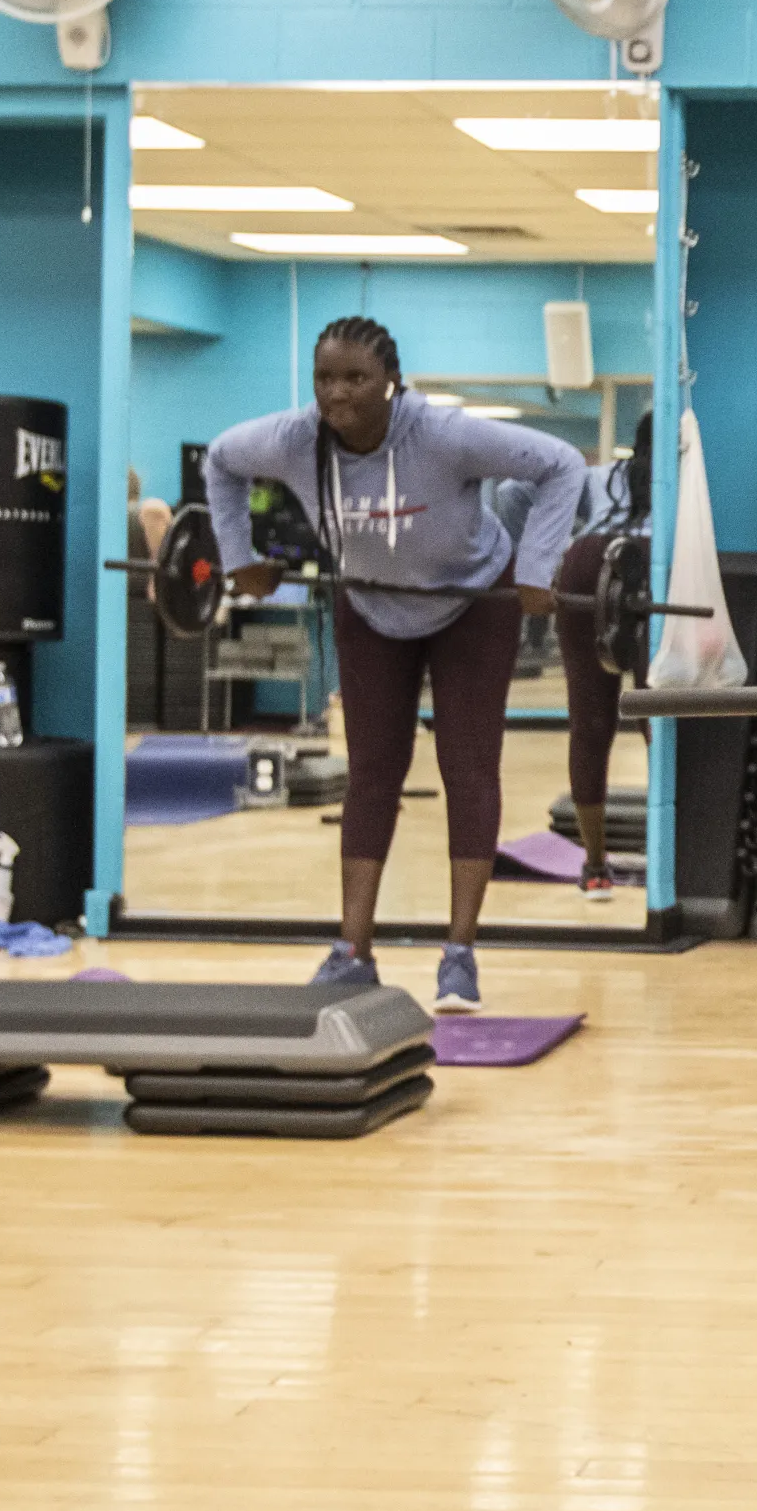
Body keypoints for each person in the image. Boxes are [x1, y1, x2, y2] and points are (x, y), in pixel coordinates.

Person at [202, 317, 588, 1012]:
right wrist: (240, 560)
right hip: (372, 605)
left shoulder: (443, 435)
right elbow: (221, 463)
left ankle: (460, 955)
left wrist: (536, 566)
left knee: (467, 767)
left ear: (392, 384)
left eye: (356, 378)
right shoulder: (295, 440)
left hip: (473, 600)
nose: (337, 392)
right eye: (325, 377)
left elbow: (561, 463)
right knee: (373, 773)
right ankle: (352, 951)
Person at [551, 446, 652, 898]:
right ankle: (676, 855)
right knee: (661, 717)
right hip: (651, 559)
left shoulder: (602, 475)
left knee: (589, 723)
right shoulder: (685, 475)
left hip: (586, 559)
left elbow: (515, 492)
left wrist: (536, 554)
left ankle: (595, 868)